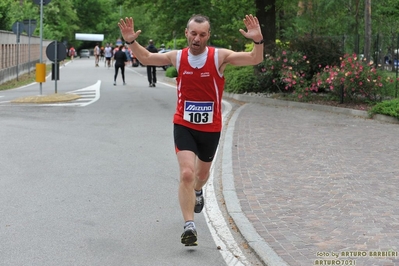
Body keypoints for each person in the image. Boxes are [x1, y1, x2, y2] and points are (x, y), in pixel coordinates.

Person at [118, 13, 263, 246]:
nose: (197, 38)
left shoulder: (219, 57)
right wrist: (130, 41)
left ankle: (197, 191)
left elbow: (254, 59)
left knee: (201, 176)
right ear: (187, 33)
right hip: (184, 124)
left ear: (208, 36)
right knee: (186, 173)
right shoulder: (178, 57)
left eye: (202, 34)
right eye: (193, 33)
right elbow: (146, 58)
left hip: (210, 128)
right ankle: (189, 226)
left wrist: (257, 41)